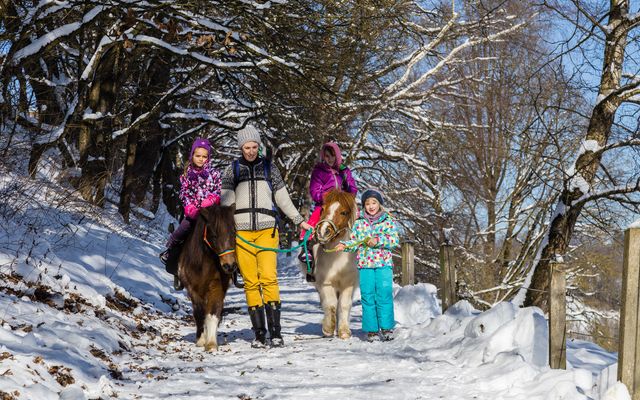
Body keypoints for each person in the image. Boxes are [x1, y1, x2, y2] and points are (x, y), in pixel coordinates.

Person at [220, 125, 313, 348]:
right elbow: (226, 203)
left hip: (267, 231)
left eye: (254, 146)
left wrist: (299, 220)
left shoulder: (269, 168)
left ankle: (276, 332)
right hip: (242, 233)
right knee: (251, 282)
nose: (251, 151)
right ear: (240, 147)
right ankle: (259, 334)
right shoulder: (232, 170)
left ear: (259, 146)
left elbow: (282, 199)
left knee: (269, 278)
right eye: (247, 147)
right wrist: (224, 228)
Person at [334, 188, 399, 342]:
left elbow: (394, 240)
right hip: (365, 265)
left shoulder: (387, 220)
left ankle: (387, 327)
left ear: (379, 204)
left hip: (383, 264)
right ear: (364, 205)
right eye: (368, 203)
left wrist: (378, 240)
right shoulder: (359, 222)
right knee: (368, 296)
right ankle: (372, 330)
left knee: (384, 295)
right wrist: (345, 245)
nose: (371, 206)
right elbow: (355, 241)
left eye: (374, 202)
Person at [159, 138, 222, 289]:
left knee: (224, 232)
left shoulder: (214, 173)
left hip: (211, 213)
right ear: (192, 155)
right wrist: (190, 207)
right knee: (182, 229)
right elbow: (184, 193)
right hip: (193, 213)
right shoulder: (186, 175)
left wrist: (211, 200)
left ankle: (231, 263)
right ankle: (171, 253)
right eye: (198, 155)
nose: (201, 159)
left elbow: (219, 191)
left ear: (208, 157)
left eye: (204, 156)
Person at [298, 142, 358, 282]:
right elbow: (314, 191)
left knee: (356, 219)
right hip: (325, 204)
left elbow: (353, 189)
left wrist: (348, 190)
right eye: (326, 156)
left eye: (332, 156)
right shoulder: (319, 171)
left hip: (342, 205)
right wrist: (328, 197)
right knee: (314, 222)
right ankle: (308, 251)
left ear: (337, 156)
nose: (329, 159)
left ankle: (359, 247)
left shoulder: (344, 171)